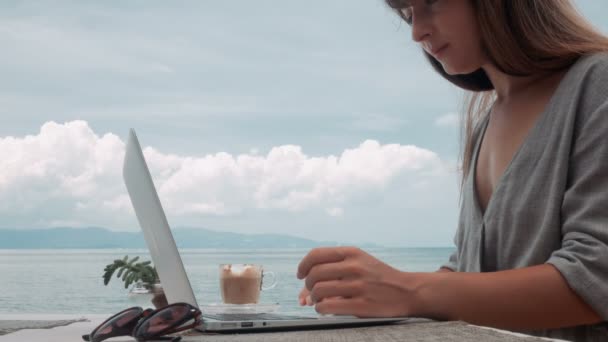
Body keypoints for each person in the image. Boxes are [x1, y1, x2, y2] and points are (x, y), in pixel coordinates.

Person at [295, 0, 608, 341]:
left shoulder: (597, 83)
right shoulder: (486, 120)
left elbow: (595, 278)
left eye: (431, 3)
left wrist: (407, 291)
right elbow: (468, 269)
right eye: (408, 13)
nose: (417, 31)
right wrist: (368, 293)